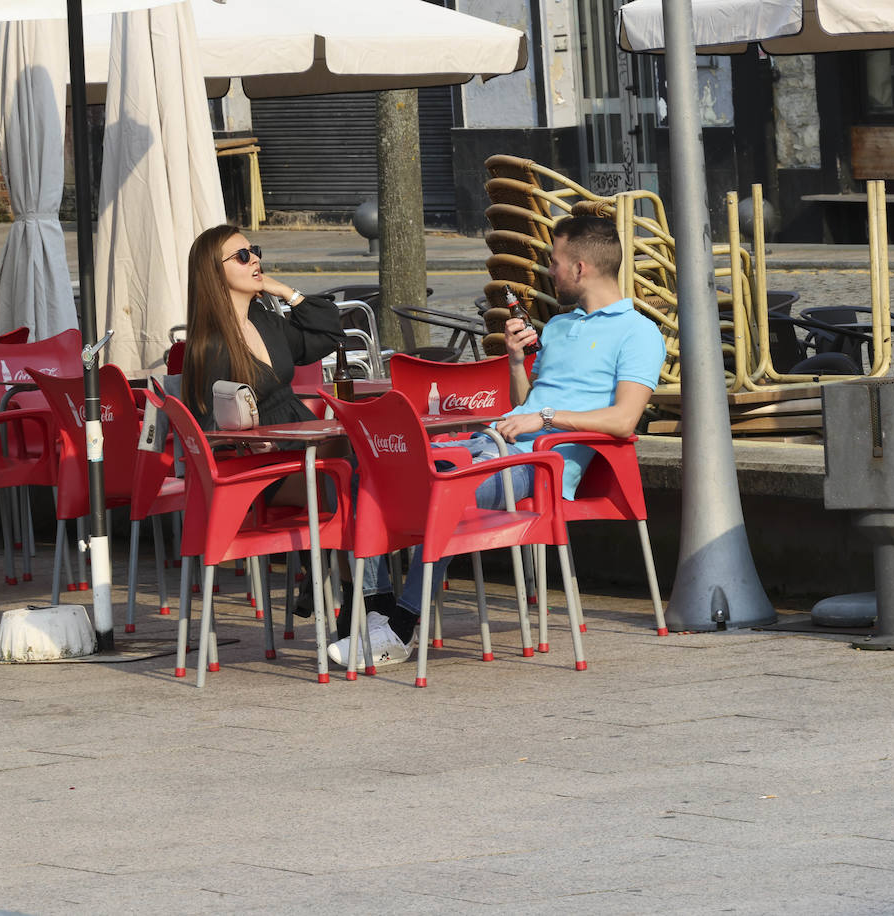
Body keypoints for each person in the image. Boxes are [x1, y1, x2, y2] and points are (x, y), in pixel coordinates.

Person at [327, 213, 668, 669]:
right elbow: (524, 402)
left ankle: (403, 630)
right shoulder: (561, 327)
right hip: (490, 446)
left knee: (442, 492)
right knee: (369, 477)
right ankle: (376, 608)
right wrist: (513, 362)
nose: (550, 270)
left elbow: (625, 420)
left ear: (581, 267)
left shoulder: (638, 332)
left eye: (556, 261)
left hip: (538, 467)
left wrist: (545, 420)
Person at [180, 225, 354, 628]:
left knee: (354, 459)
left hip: (300, 444)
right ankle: (354, 598)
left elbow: (329, 332)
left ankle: (342, 587)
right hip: (261, 468)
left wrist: (282, 291)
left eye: (254, 251)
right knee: (346, 477)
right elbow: (208, 429)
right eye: (242, 256)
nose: (255, 259)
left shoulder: (264, 319)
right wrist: (248, 443)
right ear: (214, 272)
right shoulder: (210, 346)